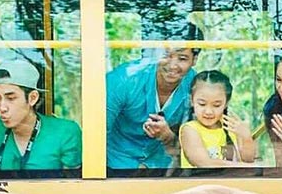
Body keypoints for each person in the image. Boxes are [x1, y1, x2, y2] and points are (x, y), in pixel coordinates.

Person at [0, 59, 81, 173]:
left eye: (11, 98)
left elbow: (76, 190)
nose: (2, 107)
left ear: (32, 98)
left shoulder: (65, 132)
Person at [106, 24, 203, 169]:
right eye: (166, 55)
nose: (172, 66)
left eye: (182, 58)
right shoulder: (123, 79)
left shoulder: (196, 86)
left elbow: (202, 144)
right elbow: (97, 132)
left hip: (163, 167)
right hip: (116, 162)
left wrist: (167, 136)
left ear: (194, 60)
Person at [178, 70, 256, 169]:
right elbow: (204, 163)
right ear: (192, 100)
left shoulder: (232, 127)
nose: (209, 111)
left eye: (216, 105)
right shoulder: (189, 129)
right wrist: (246, 167)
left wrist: (246, 137)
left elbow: (248, 160)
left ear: (226, 103)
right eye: (202, 104)